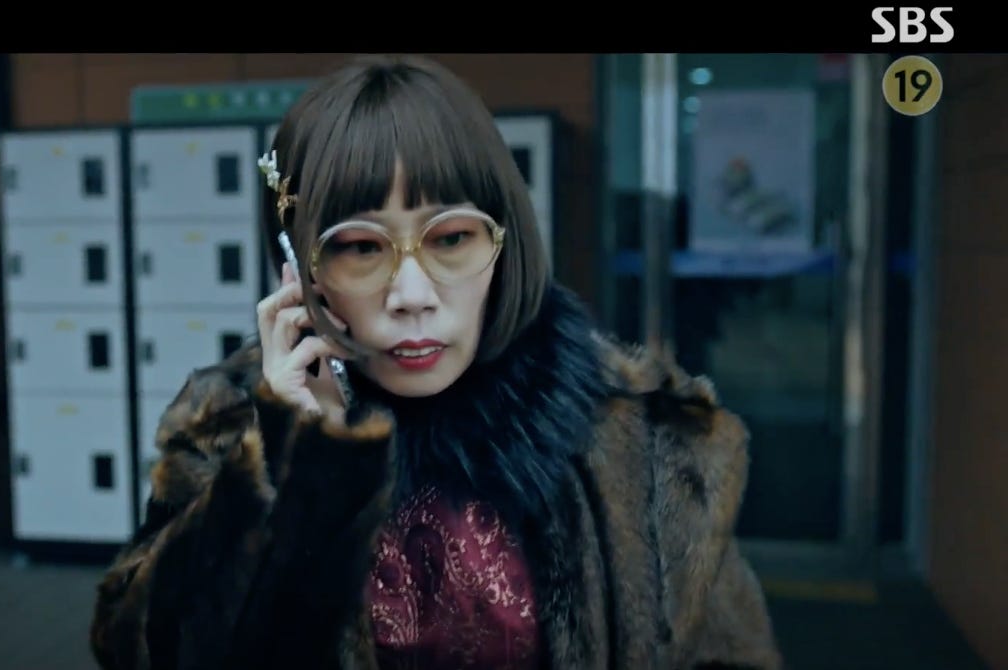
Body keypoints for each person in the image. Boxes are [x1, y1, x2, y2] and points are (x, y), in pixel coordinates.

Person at [90, 55, 782, 670]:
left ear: (504, 243)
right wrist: (292, 467)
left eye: (451, 238)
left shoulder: (638, 429)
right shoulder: (231, 428)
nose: (412, 295)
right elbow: (144, 649)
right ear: (300, 268)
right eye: (361, 248)